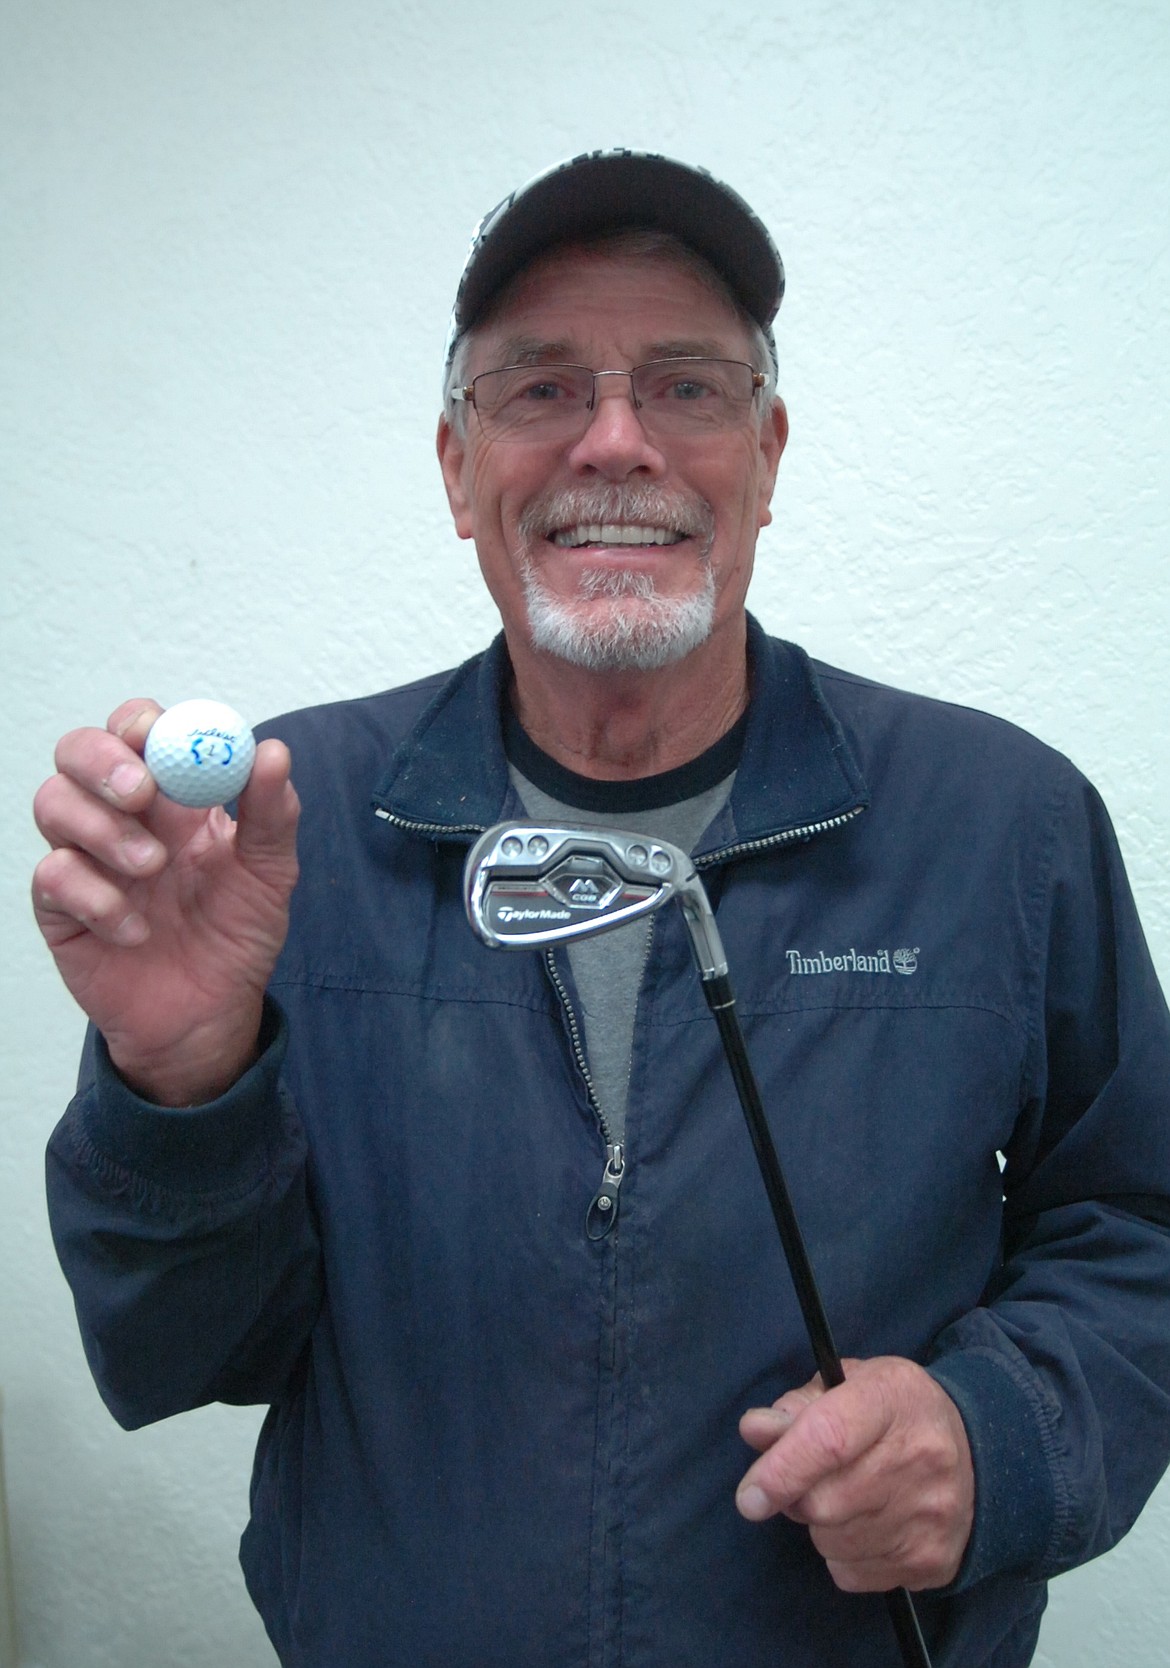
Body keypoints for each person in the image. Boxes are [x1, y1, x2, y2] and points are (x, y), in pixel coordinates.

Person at [32, 150, 1170, 1668]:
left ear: (767, 453)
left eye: (687, 388)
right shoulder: (278, 837)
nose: (615, 442)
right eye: (540, 389)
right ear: (455, 467)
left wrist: (999, 1437)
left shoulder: (999, 820)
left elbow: (1141, 1224)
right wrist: (180, 1085)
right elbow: (194, 1352)